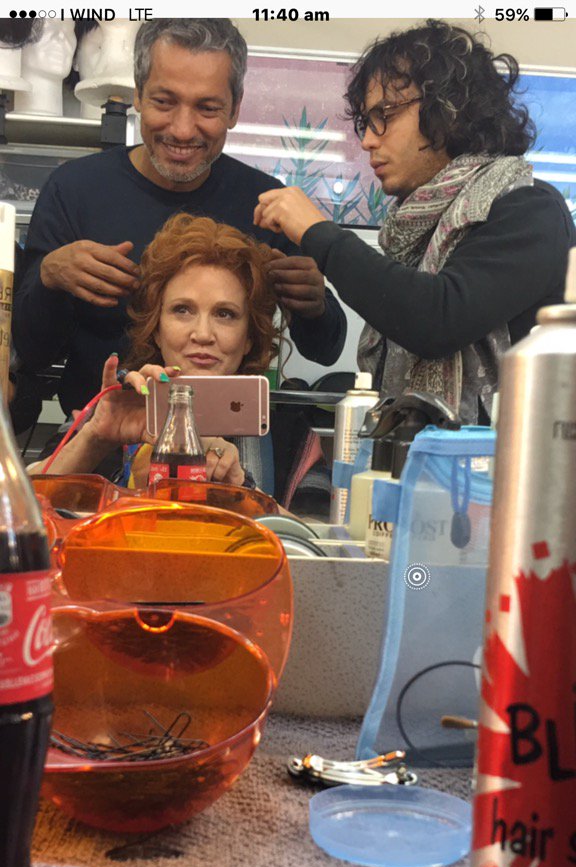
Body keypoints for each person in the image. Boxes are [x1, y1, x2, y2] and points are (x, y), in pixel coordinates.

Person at [13, 18, 345, 419]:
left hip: (225, 437)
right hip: (95, 434)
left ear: (235, 108)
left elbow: (325, 350)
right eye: (164, 102)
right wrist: (49, 277)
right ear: (138, 94)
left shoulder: (266, 205)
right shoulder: (73, 190)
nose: (184, 130)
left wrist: (314, 305)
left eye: (207, 108)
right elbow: (30, 352)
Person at [254, 19, 576, 424]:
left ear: (449, 108)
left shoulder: (530, 209)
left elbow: (437, 319)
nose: (368, 140)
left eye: (384, 114)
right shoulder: (414, 230)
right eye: (366, 122)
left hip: (499, 460)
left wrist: (319, 232)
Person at [31, 213, 330, 513]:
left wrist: (241, 487)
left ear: (249, 337)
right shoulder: (109, 415)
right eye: (182, 310)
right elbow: (19, 511)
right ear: (156, 329)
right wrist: (95, 439)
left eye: (225, 314)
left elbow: (320, 539)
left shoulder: (292, 439)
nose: (203, 334)